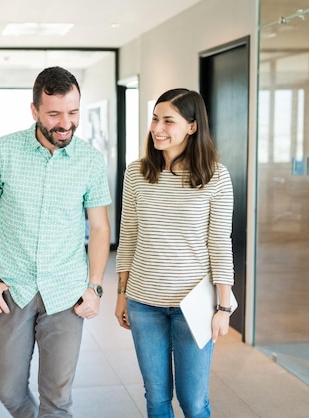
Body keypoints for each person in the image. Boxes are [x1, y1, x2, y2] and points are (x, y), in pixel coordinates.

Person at [0, 66, 111, 417]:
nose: (66, 123)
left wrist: (94, 287)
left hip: (65, 292)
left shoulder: (90, 160)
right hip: (11, 289)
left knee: (57, 400)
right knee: (9, 392)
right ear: (34, 111)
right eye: (54, 114)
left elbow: (99, 229)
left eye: (73, 112)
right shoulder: (4, 151)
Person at [114, 88, 234, 417]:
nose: (157, 128)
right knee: (156, 397)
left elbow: (220, 243)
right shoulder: (137, 173)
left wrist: (223, 305)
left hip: (192, 304)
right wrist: (122, 294)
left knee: (193, 402)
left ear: (192, 127)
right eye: (155, 119)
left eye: (169, 120)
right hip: (144, 303)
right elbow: (129, 237)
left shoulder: (215, 176)